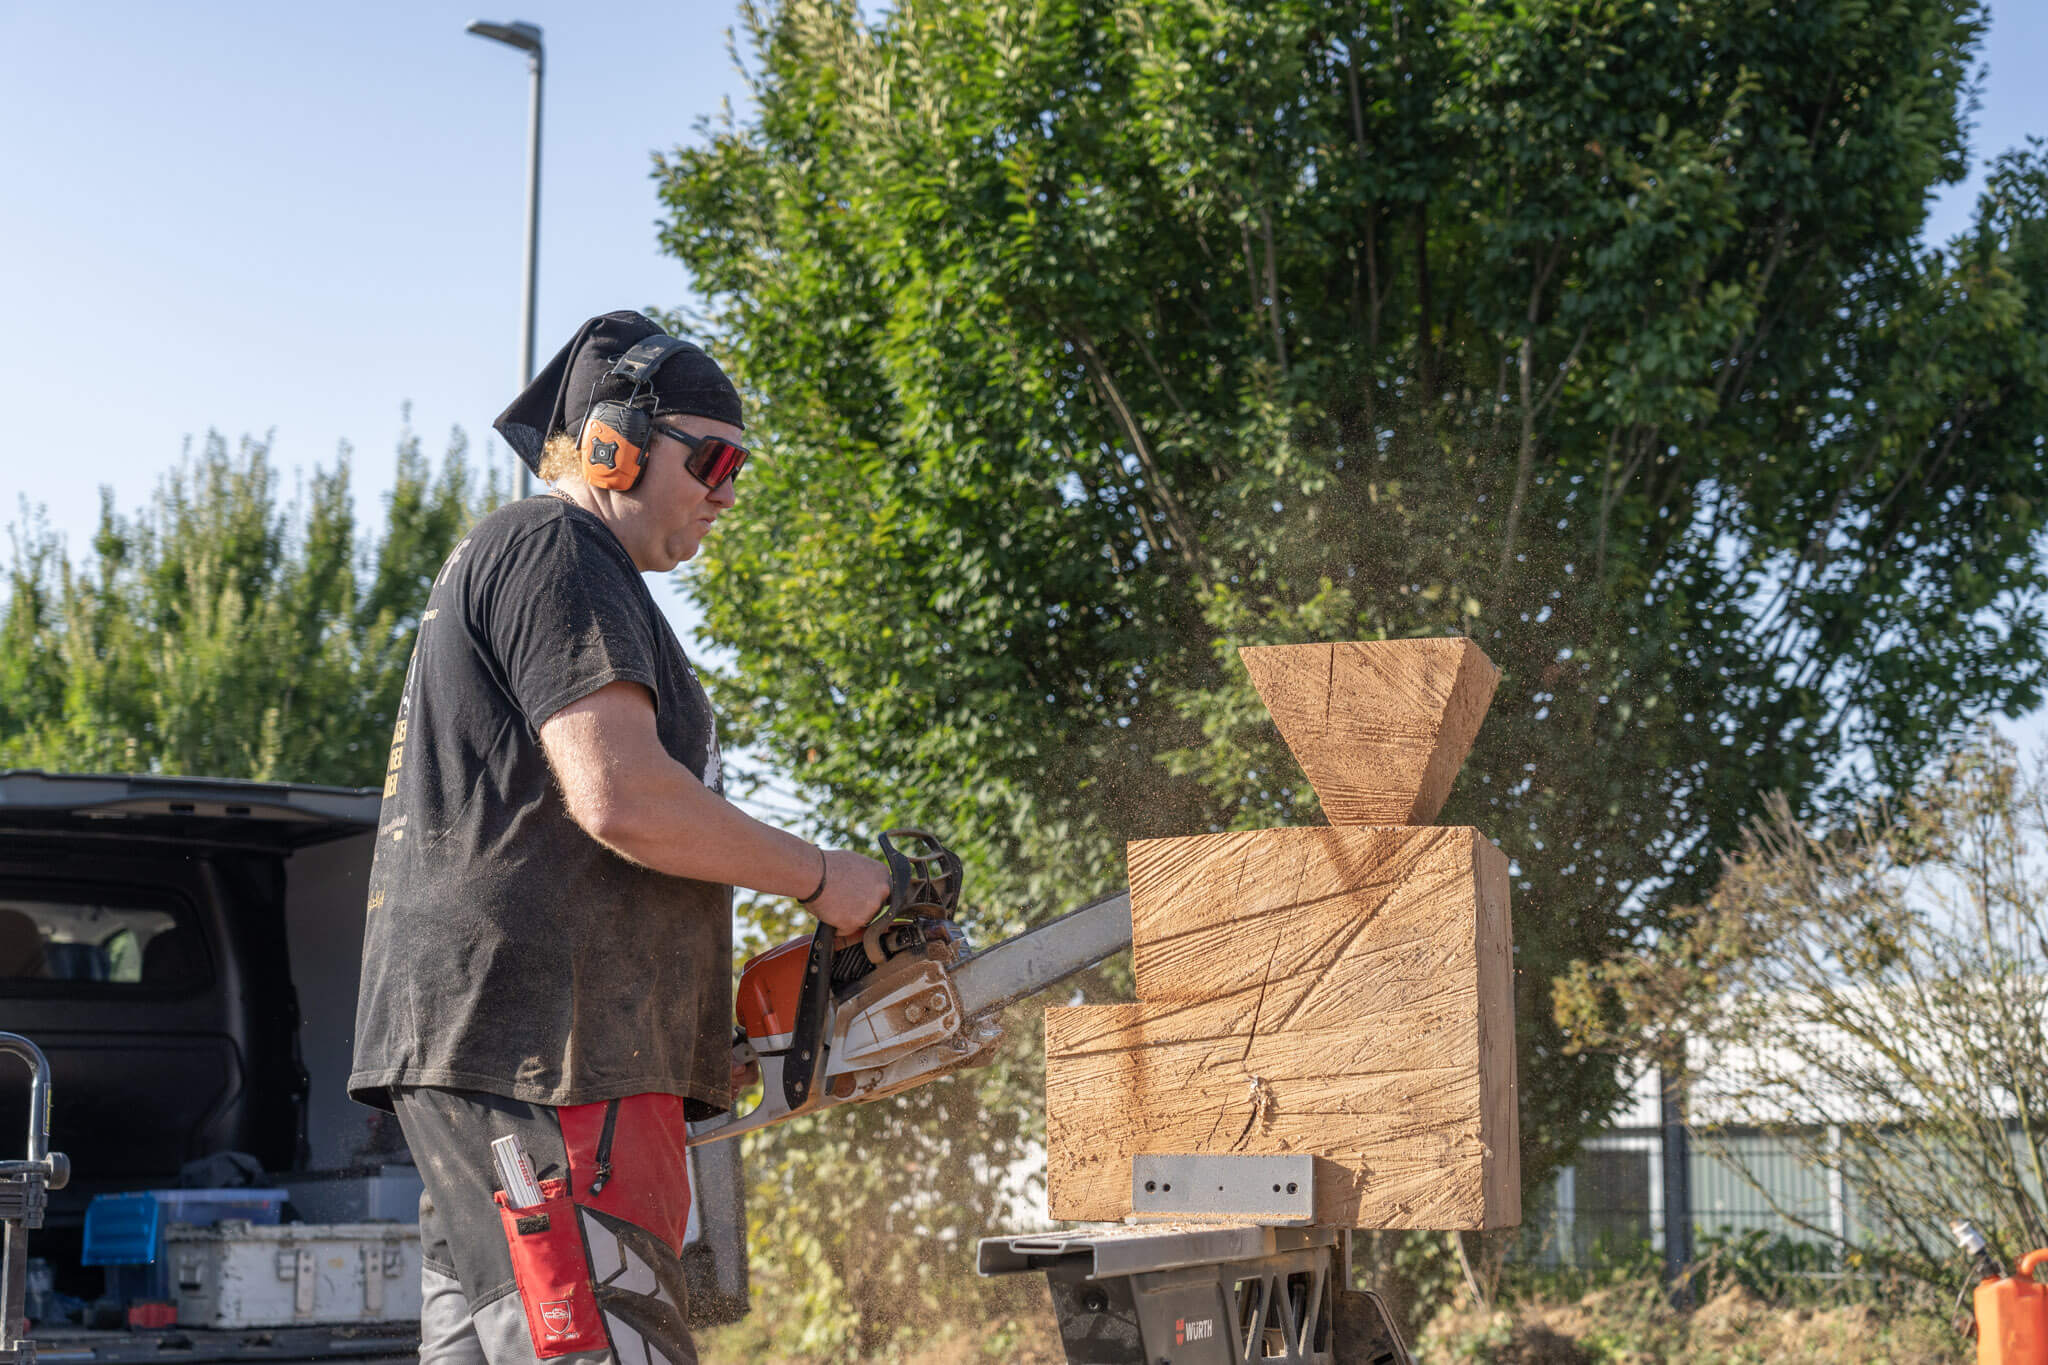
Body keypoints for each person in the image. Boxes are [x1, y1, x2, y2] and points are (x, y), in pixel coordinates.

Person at [348, 311, 889, 1365]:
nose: (728, 490)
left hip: (528, 1048)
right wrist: (824, 879)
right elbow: (622, 797)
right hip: (548, 1059)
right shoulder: (556, 545)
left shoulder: (564, 568)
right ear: (614, 443)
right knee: (600, 1339)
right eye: (714, 457)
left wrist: (692, 1025)